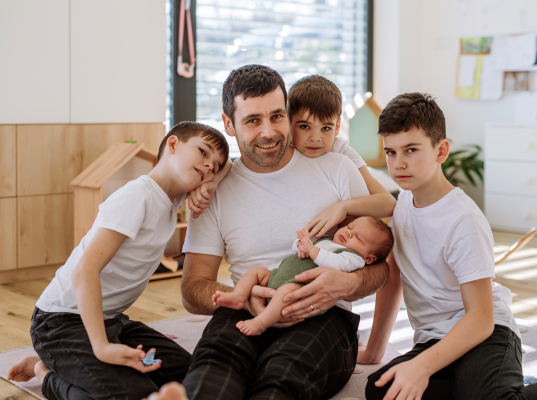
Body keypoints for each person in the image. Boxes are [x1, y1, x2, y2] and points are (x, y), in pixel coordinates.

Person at [149, 64, 396, 400]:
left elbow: (379, 259)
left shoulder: (338, 168)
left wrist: (350, 283)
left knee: (280, 377)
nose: (268, 132)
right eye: (252, 120)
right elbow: (193, 289)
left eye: (277, 116)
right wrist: (245, 297)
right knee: (213, 368)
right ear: (228, 125)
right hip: (245, 306)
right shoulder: (212, 190)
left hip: (324, 315)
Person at [358, 93, 537, 400]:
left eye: (412, 150)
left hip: (486, 333)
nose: (399, 163)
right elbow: (393, 278)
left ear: (441, 150)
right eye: (390, 152)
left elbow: (481, 318)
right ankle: (504, 385)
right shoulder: (403, 203)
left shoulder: (463, 220)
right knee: (381, 389)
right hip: (435, 341)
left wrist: (421, 369)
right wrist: (375, 351)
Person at [7, 122, 230, 400]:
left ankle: (73, 363)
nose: (210, 166)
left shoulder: (174, 196)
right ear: (172, 145)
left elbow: (230, 164)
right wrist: (101, 347)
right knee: (133, 394)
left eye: (215, 165)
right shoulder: (137, 196)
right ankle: (45, 372)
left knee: (193, 374)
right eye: (203, 152)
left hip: (112, 320)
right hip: (60, 323)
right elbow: (84, 270)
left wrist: (211, 184)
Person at [213, 216, 394, 336]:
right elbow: (298, 250)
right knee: (256, 271)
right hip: (277, 276)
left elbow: (333, 263)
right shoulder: (327, 242)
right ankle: (238, 296)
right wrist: (302, 244)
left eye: (358, 238)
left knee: (287, 291)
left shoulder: (354, 259)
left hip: (301, 290)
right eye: (349, 227)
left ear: (369, 258)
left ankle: (261, 323)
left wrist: (311, 249)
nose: (348, 233)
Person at [288, 74, 394, 237]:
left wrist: (343, 207)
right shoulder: (282, 150)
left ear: (337, 127)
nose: (315, 138)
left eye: (325, 128)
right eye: (304, 126)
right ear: (288, 123)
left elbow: (388, 203)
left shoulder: (341, 151)